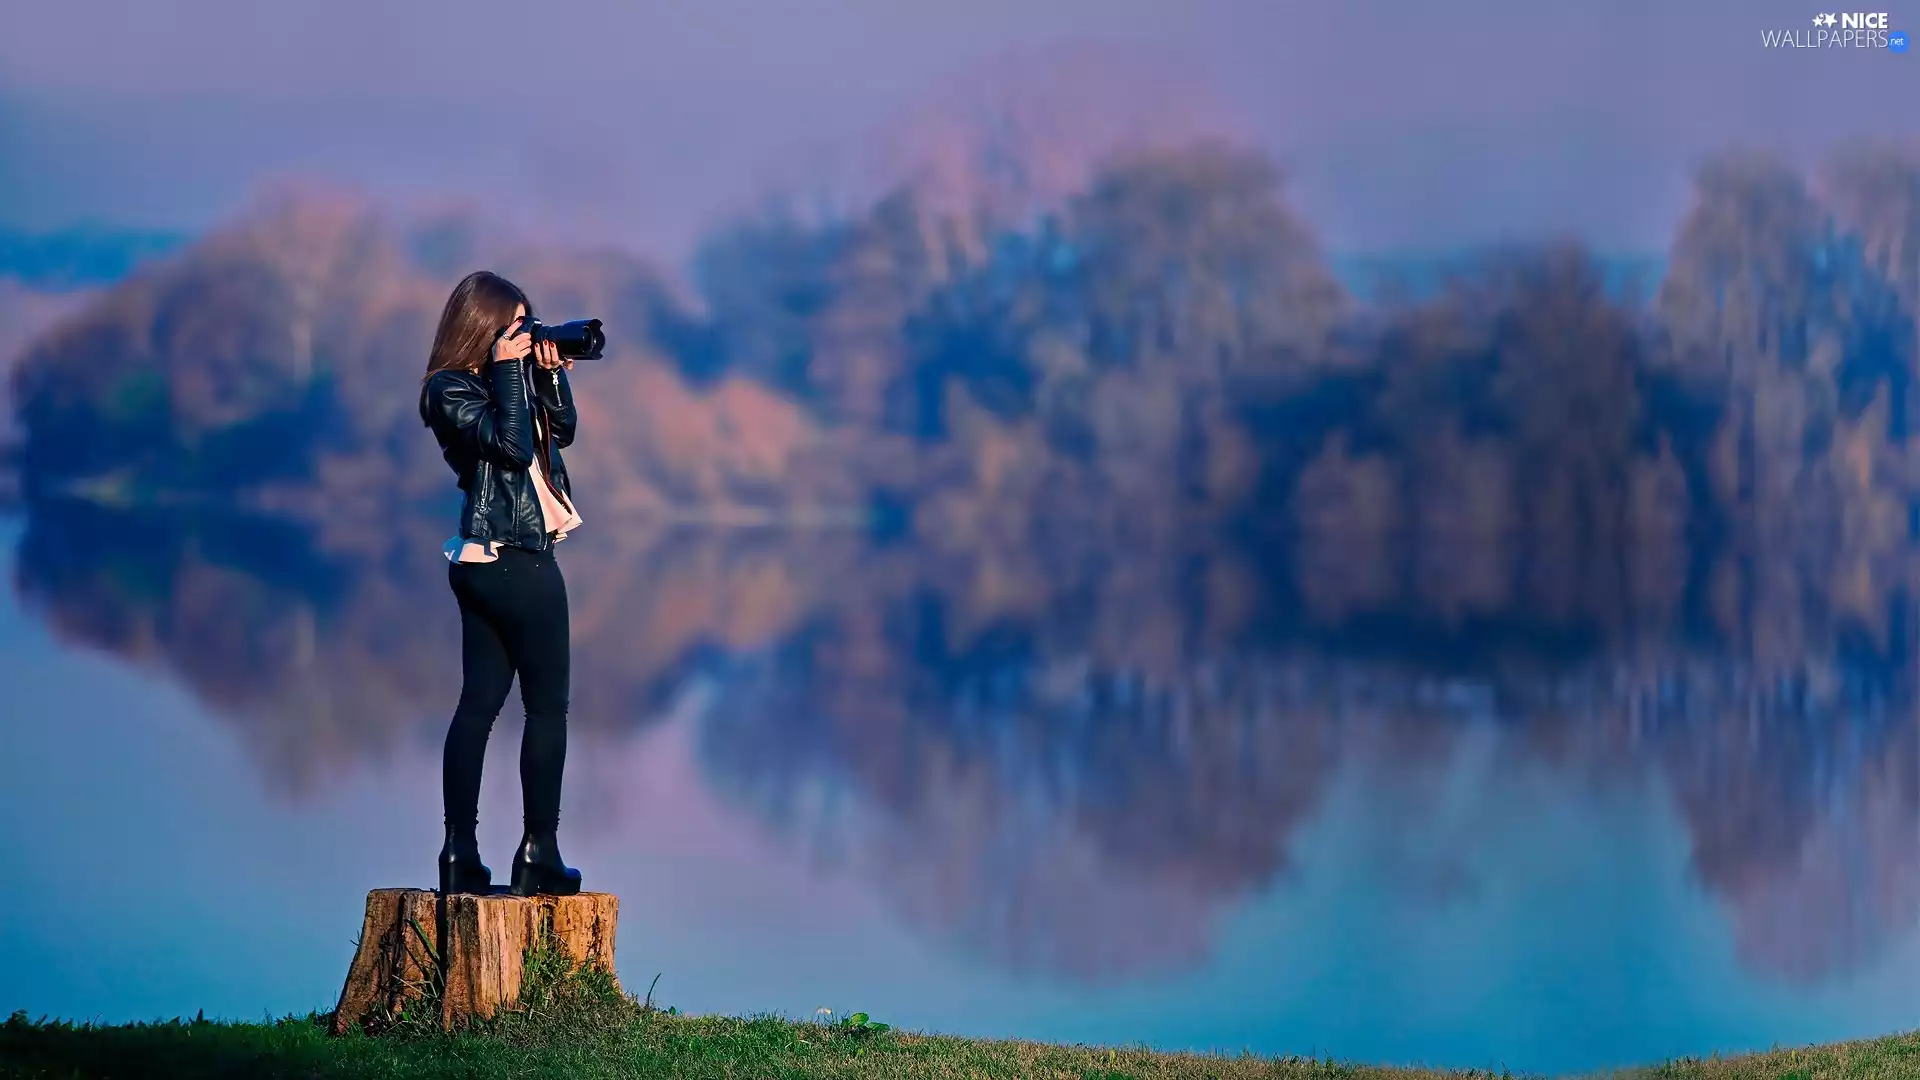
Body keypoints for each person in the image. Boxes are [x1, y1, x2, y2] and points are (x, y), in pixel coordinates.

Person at [419, 270, 585, 897]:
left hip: (489, 565)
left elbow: (556, 436)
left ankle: (461, 858)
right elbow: (512, 450)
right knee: (545, 708)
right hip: (514, 559)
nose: (523, 336)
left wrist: (549, 371)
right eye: (513, 327)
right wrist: (513, 373)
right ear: (482, 328)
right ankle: (537, 852)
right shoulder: (449, 388)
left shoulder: (498, 383)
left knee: (478, 706)